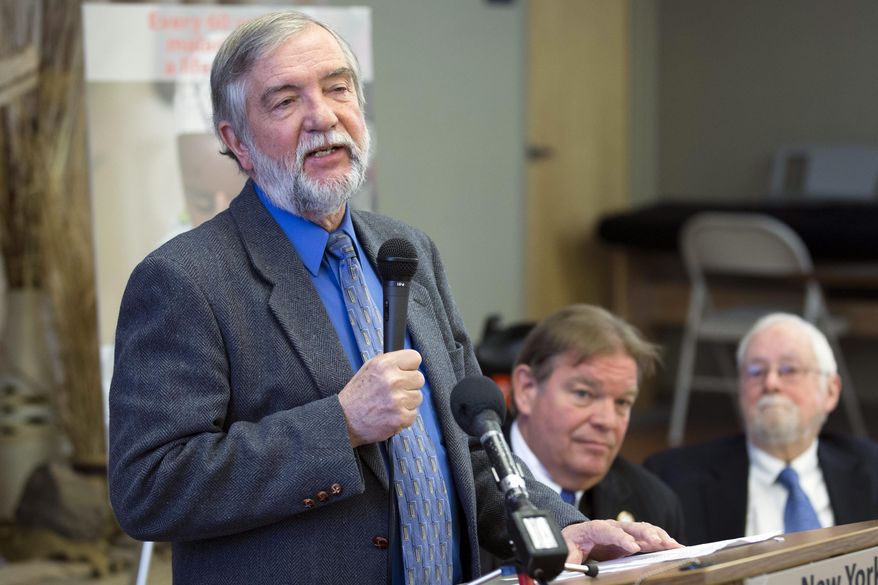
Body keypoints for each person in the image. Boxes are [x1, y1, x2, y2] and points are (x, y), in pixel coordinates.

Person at [107, 11, 678, 585]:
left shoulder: (408, 252)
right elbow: (150, 488)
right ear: (238, 143)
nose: (323, 117)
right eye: (284, 102)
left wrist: (555, 529)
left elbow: (472, 453)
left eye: (338, 89)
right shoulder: (186, 280)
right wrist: (340, 425)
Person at [644, 312, 878, 545]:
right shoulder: (672, 479)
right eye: (756, 371)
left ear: (831, 391)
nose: (771, 383)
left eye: (789, 370)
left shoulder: (871, 468)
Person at [506, 305, 685, 541]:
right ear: (526, 389)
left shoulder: (655, 505)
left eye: (622, 402)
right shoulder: (467, 483)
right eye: (584, 394)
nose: (607, 421)